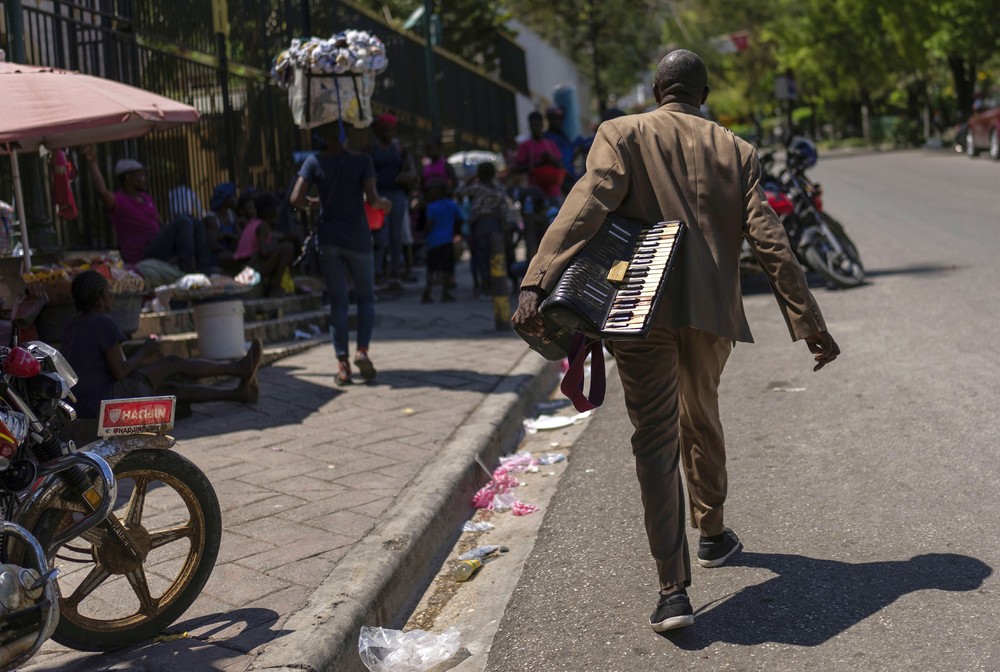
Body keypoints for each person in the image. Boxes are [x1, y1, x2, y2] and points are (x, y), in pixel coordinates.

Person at [512, 49, 841, 633]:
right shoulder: (736, 150)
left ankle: (672, 591)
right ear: (704, 94)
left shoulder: (622, 133)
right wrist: (808, 320)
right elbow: (770, 239)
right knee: (703, 413)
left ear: (657, 89)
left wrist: (538, 277)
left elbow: (590, 203)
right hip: (712, 313)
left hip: (638, 310)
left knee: (655, 438)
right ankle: (712, 533)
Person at [60, 271, 262, 421]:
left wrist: (140, 358)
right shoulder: (101, 322)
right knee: (171, 363)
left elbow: (98, 364)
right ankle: (239, 369)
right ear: (102, 296)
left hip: (84, 403)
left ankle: (238, 393)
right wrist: (145, 351)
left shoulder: (71, 324)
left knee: (171, 391)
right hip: (103, 401)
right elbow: (120, 372)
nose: (112, 295)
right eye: (109, 290)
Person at [290, 123, 392, 386]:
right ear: (344, 135)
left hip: (329, 241)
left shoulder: (314, 161)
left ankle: (343, 366)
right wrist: (385, 205)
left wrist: (317, 203)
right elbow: (372, 199)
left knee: (339, 303)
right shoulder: (362, 161)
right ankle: (362, 351)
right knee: (366, 298)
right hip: (358, 238)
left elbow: (296, 199)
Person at [82, 145, 209, 273]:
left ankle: (204, 268)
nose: (145, 179)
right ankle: (186, 269)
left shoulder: (146, 198)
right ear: (128, 178)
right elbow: (102, 192)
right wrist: (93, 162)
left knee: (195, 222)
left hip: (158, 244)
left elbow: (161, 223)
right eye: (141, 175)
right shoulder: (119, 200)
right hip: (143, 252)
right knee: (183, 221)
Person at [367, 113, 417, 282]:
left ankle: (396, 270)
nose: (387, 133)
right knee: (380, 234)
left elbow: (411, 170)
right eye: (384, 129)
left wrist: (404, 177)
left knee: (396, 235)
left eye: (390, 130)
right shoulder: (371, 148)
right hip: (377, 195)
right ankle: (378, 271)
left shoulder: (399, 148)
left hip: (397, 195)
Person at [455, 161, 508, 296]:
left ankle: (485, 284)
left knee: (481, 255)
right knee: (495, 254)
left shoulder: (476, 188)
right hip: (495, 224)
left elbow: (459, 192)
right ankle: (496, 283)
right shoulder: (499, 189)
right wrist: (504, 226)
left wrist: (470, 180)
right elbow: (503, 210)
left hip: (479, 224)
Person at [233, 192, 296, 297]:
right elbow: (264, 252)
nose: (277, 211)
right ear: (268, 211)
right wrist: (276, 247)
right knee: (287, 248)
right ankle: (276, 288)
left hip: (246, 267)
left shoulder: (253, 223)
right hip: (249, 269)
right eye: (274, 209)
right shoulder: (262, 226)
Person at [420, 182, 463, 304]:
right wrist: (456, 233)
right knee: (446, 268)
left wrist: (424, 233)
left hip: (433, 241)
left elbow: (429, 222)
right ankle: (445, 293)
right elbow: (459, 219)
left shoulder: (432, 206)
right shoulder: (451, 205)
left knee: (431, 268)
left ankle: (427, 292)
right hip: (447, 240)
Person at [513, 111, 566, 202]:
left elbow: (561, 166)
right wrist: (537, 164)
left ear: (542, 125)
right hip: (535, 193)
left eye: (537, 125)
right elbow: (518, 168)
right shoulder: (525, 145)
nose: (535, 128)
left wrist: (550, 159)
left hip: (554, 192)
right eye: (533, 125)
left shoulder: (550, 145)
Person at [204, 182, 242, 270]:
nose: (235, 199)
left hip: (232, 251)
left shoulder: (231, 215)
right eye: (233, 196)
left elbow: (239, 235)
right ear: (225, 199)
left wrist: (229, 237)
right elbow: (213, 245)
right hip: (216, 258)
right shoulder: (212, 218)